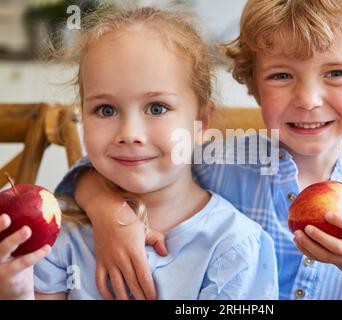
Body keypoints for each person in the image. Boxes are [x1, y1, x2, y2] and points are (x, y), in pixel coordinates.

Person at [54, 0, 342, 300]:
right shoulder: (218, 163)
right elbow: (113, 168)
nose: (308, 99)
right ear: (255, 87)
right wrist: (110, 214)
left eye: (336, 73)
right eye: (281, 75)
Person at [0, 6, 278, 300]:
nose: (130, 133)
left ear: (202, 123)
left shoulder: (232, 246)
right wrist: (15, 290)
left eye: (157, 108)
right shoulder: (60, 231)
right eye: (105, 110)